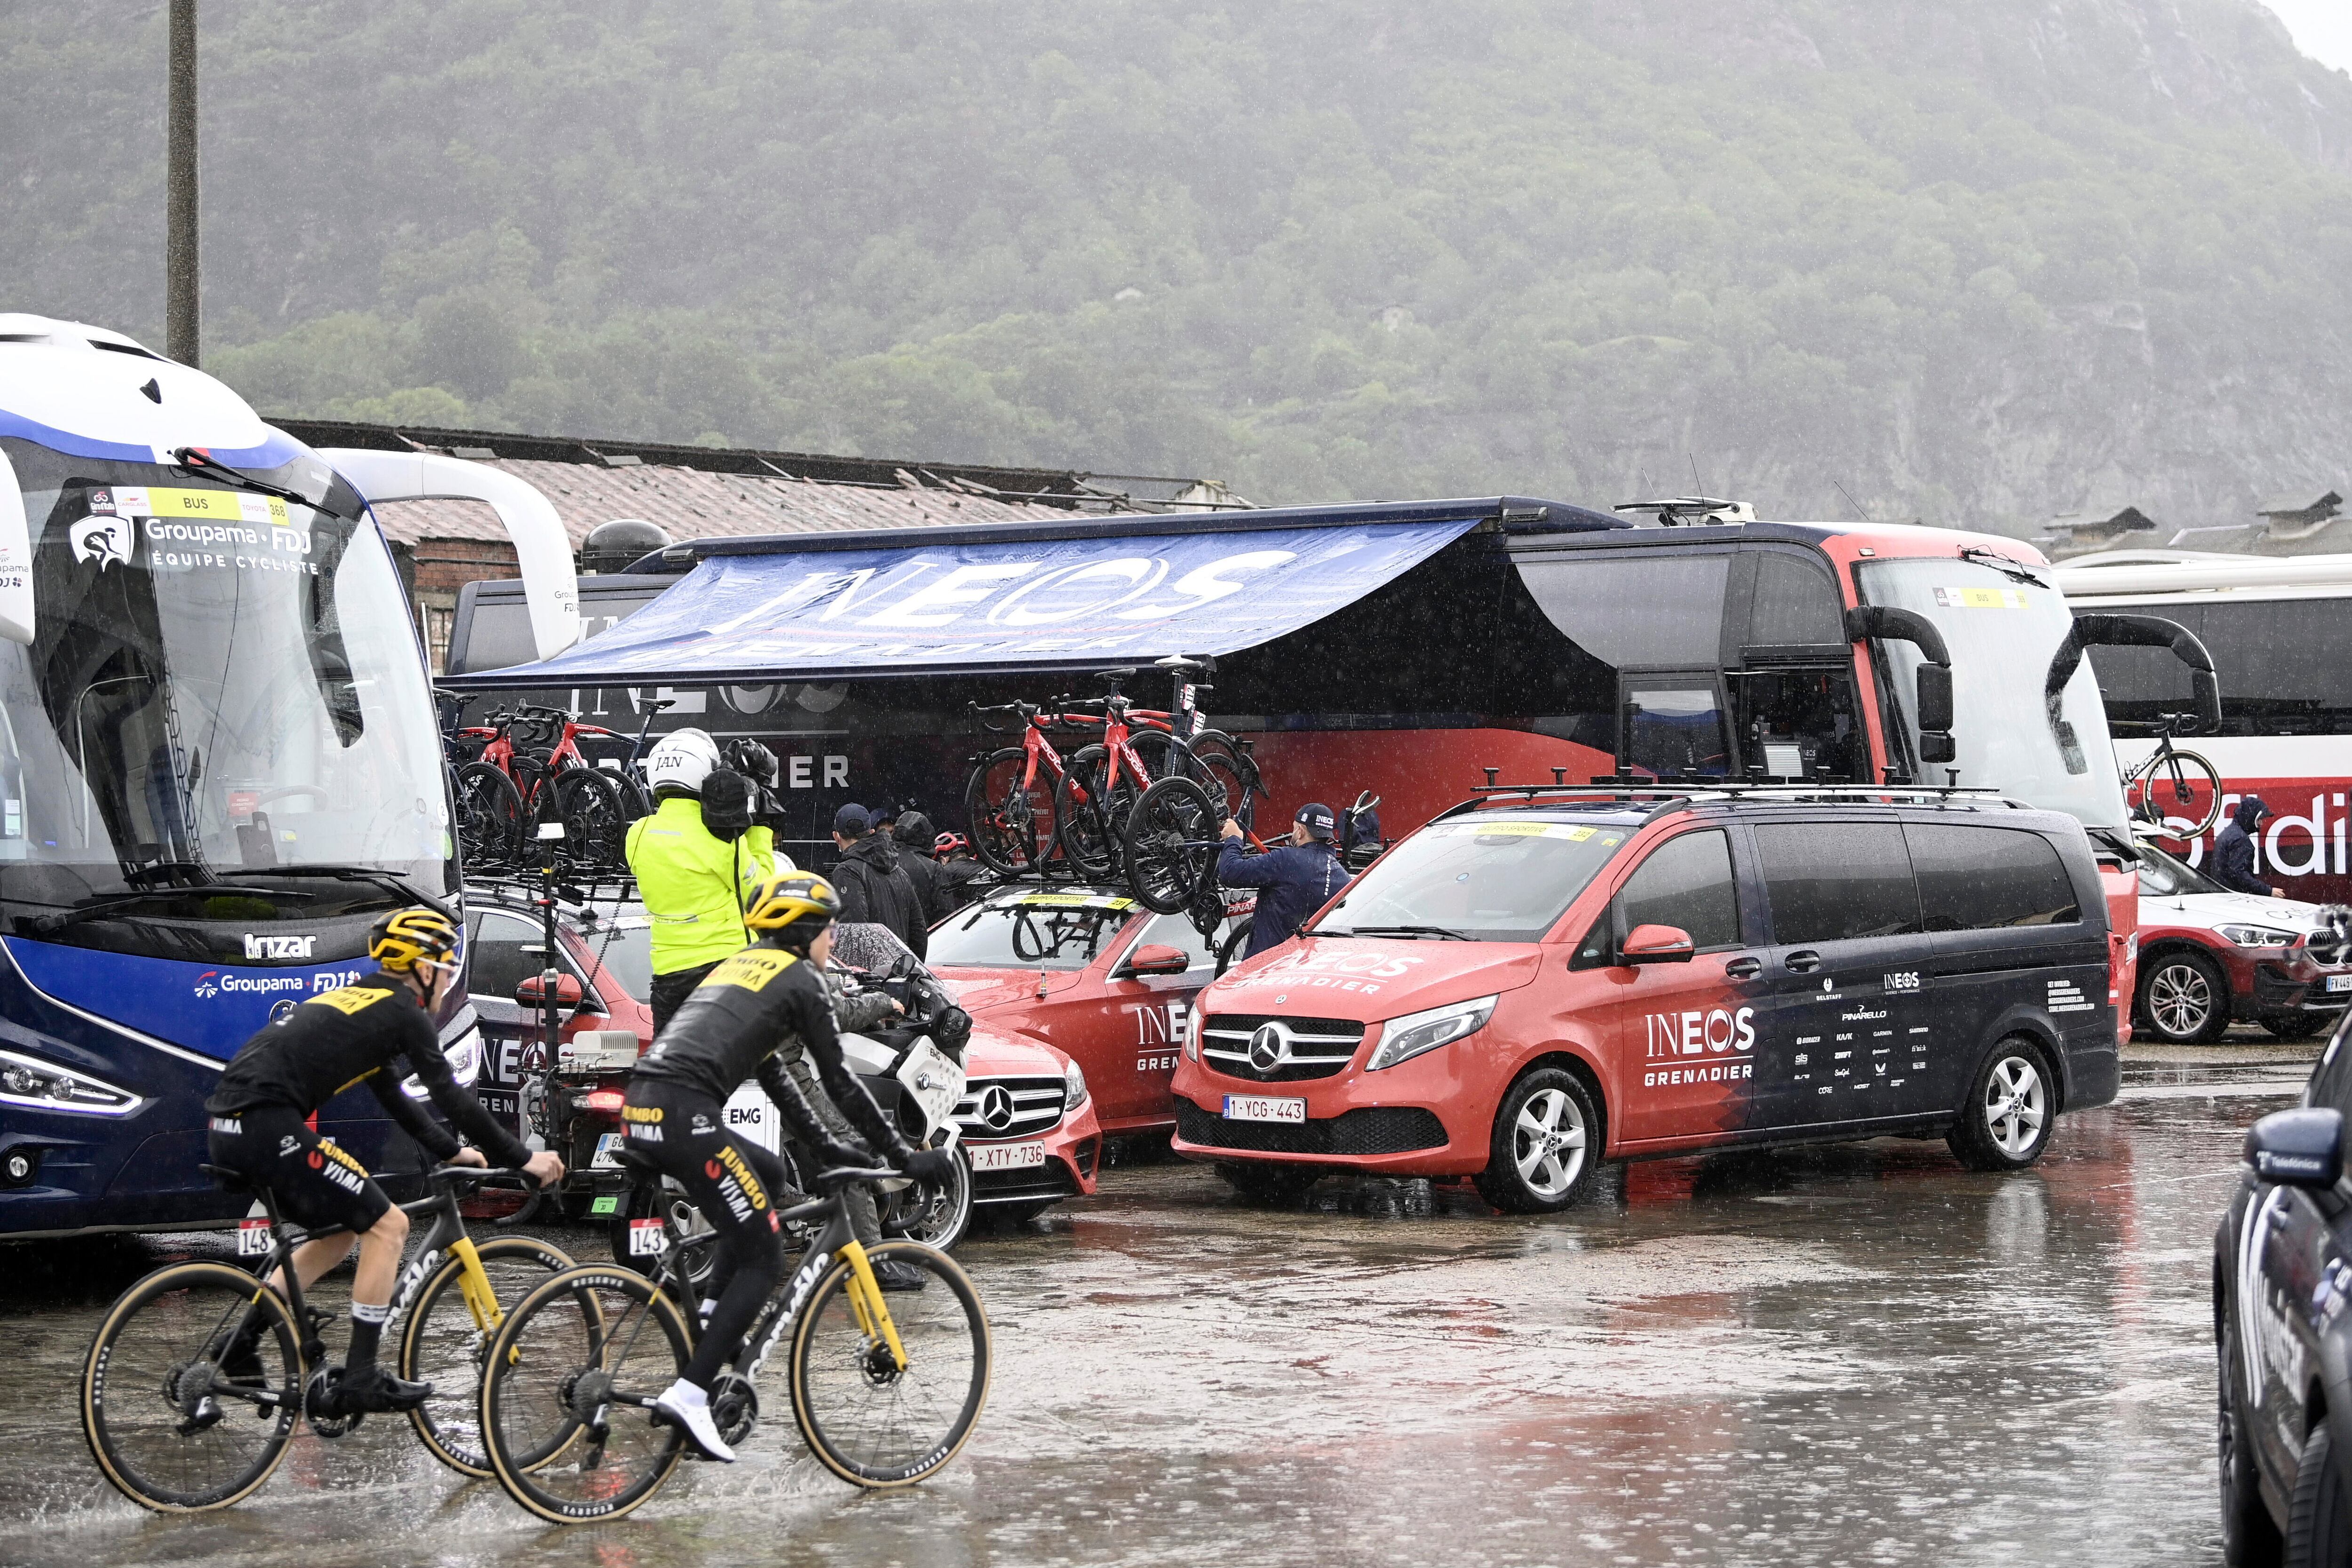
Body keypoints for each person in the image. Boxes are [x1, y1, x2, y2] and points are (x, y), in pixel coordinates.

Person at [622, 872, 954, 1463]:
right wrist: (904, 1156)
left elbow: (779, 1081)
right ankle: (691, 1395)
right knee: (767, 1254)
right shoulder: (799, 979)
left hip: (646, 1108)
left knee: (771, 1177)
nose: (832, 940)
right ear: (805, 934)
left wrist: (831, 1149)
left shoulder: (743, 967)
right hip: (685, 1116)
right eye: (828, 929)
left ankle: (708, 1315)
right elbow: (842, 1085)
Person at [203, 907, 565, 1414]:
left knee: (341, 1232)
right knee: (389, 1226)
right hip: (267, 1125)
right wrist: (524, 1158)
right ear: (422, 968)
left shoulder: (365, 1001)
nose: (446, 981)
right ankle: (362, 1376)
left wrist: (452, 1150)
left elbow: (395, 1097)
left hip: (231, 1126)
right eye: (445, 968)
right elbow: (452, 1097)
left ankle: (241, 1341)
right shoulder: (403, 1011)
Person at [626, 729, 791, 1032]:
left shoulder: (638, 833)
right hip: (725, 970)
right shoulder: (718, 835)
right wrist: (759, 830)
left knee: (677, 1071)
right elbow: (760, 890)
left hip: (668, 977)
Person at [1217, 802, 1352, 961]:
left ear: (1301, 832)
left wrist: (1234, 839)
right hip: (1309, 971)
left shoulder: (1286, 860)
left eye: (1295, 828)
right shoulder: (1343, 879)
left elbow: (1231, 873)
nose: (1293, 833)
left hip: (1265, 968)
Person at [828, 803, 929, 958]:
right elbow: (919, 932)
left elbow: (853, 934)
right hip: (899, 974)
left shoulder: (847, 872)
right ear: (872, 832)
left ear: (837, 837)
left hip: (869, 979)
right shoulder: (899, 871)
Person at [2212, 796, 2282, 898]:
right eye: (2260, 819)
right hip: (2234, 899)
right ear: (2251, 817)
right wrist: (2268, 891)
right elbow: (2239, 875)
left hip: (2223, 896)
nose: (2261, 823)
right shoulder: (2241, 840)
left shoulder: (2227, 834)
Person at [892, 809, 948, 923]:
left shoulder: (884, 863)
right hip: (928, 936)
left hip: (890, 936)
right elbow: (945, 911)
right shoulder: (932, 868)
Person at [931, 830, 987, 915]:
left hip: (985, 909)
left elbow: (945, 906)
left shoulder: (947, 871)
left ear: (943, 859)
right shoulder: (980, 863)